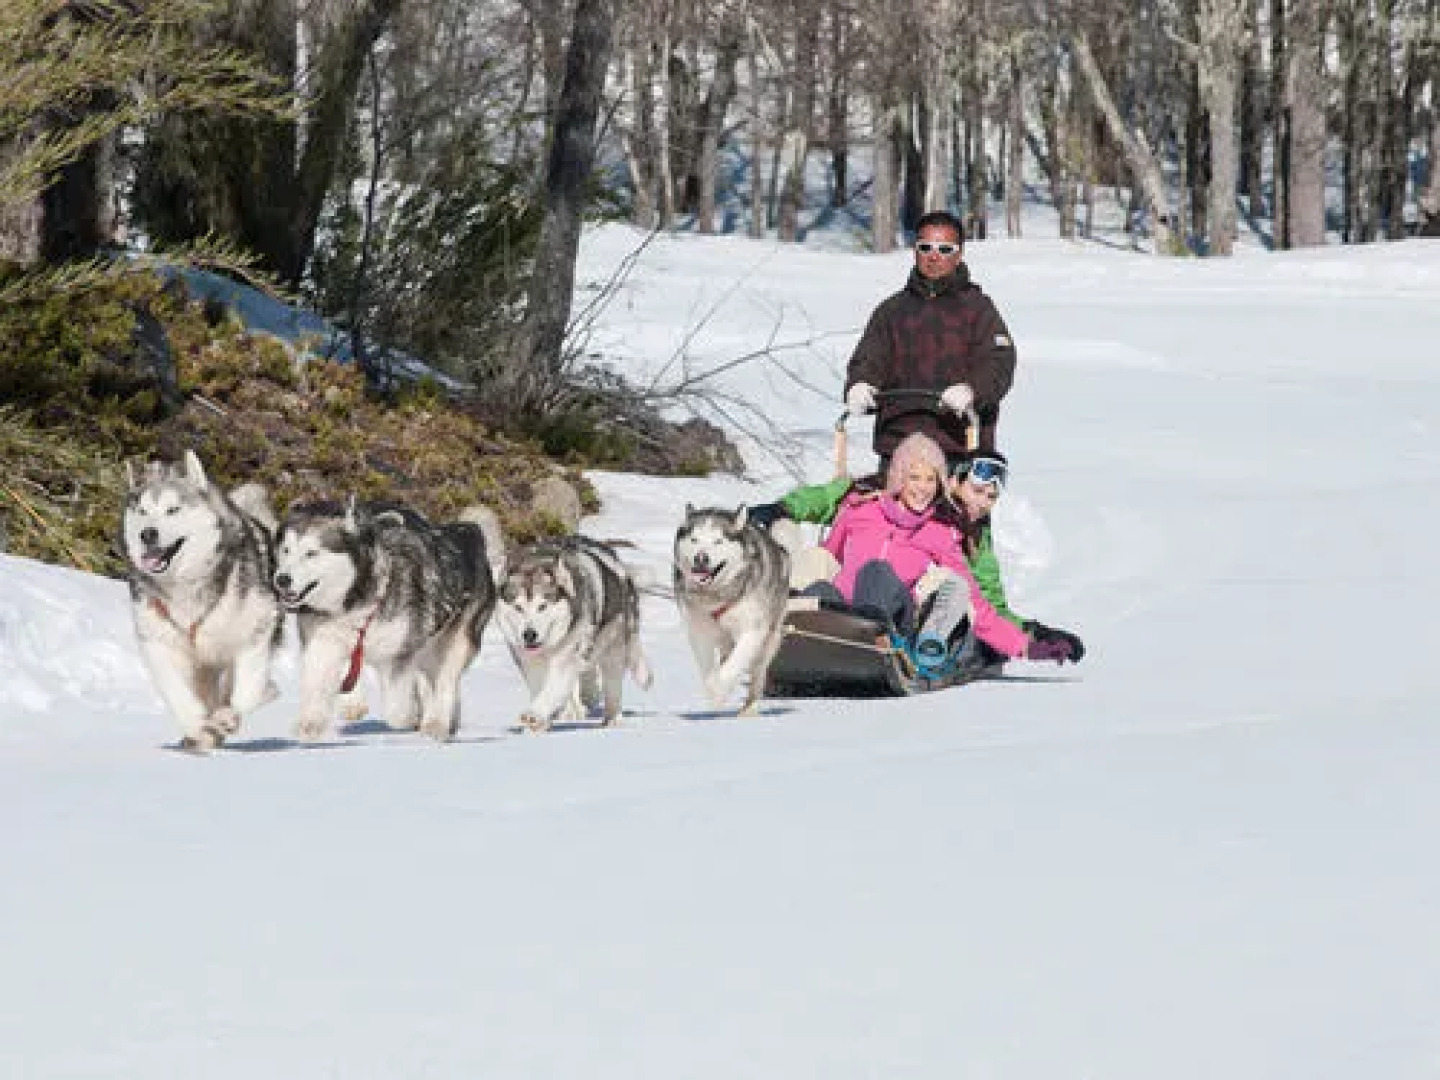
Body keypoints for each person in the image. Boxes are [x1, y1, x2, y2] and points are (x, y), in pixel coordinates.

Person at [750, 448, 1084, 667]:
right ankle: (784, 632)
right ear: (952, 482)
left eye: (992, 498)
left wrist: (1030, 637)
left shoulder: (955, 534)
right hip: (841, 606)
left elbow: (984, 603)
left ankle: (887, 638)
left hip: (898, 619)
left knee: (879, 574)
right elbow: (831, 512)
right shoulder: (869, 504)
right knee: (816, 568)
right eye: (978, 492)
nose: (983, 504)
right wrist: (785, 509)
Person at [843, 209, 1018, 466]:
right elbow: (870, 358)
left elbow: (998, 362)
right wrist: (860, 385)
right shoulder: (891, 311)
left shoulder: (978, 310)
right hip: (899, 447)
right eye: (925, 247)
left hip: (959, 445)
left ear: (959, 254)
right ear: (914, 251)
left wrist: (973, 390)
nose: (934, 256)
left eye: (944, 249)